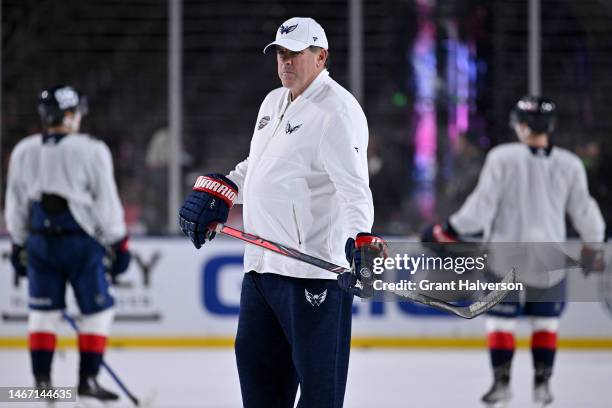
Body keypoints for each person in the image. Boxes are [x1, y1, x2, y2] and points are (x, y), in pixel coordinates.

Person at [178, 17, 385, 408]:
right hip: (260, 268)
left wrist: (362, 238)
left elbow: (354, 187)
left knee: (319, 396)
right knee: (259, 387)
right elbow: (259, 164)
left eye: (296, 54)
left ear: (321, 57)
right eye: (281, 54)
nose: (285, 62)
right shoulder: (273, 101)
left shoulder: (337, 111)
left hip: (312, 276)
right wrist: (225, 189)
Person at [422, 96, 606, 406]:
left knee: (500, 322)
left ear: (521, 125)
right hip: (550, 258)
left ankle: (501, 385)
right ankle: (542, 386)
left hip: (503, 256)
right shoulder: (569, 163)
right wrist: (593, 245)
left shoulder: (503, 157)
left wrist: (447, 229)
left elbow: (480, 209)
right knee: (546, 324)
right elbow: (585, 211)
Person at [5, 85, 131, 401]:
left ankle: (42, 383)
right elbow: (106, 201)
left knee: (42, 314)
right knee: (98, 313)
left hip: (39, 243)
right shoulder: (91, 149)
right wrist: (119, 242)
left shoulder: (24, 150)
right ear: (71, 114)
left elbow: (16, 202)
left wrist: (19, 243)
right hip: (81, 244)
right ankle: (87, 381)